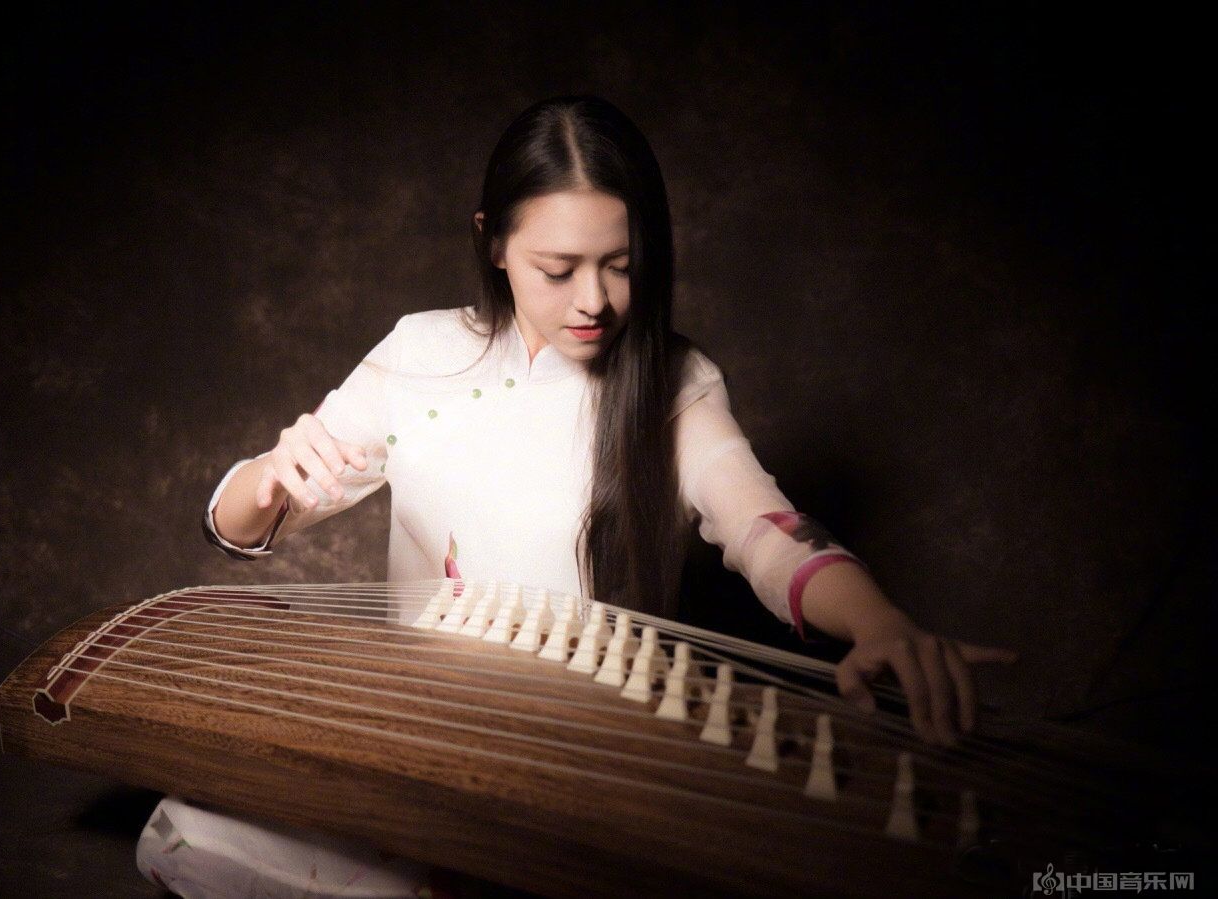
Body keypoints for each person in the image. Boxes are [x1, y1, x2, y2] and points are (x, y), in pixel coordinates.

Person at [139, 94, 1019, 899]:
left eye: (621, 265)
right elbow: (243, 521)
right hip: (418, 737)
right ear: (493, 242)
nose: (594, 300)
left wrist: (877, 621)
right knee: (208, 824)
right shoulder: (420, 355)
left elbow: (766, 527)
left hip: (583, 761)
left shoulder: (674, 383)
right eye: (558, 268)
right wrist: (271, 473)